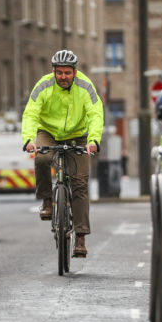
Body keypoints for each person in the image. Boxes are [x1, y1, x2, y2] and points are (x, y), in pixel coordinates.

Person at [21, 49, 104, 257]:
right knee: (42, 159)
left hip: (78, 135)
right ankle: (47, 201)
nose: (63, 77)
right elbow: (31, 113)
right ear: (54, 72)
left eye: (67, 73)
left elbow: (95, 114)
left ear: (75, 72)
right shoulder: (43, 85)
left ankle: (81, 238)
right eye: (59, 73)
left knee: (80, 184)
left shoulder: (85, 87)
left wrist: (93, 140)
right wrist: (29, 139)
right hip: (47, 132)